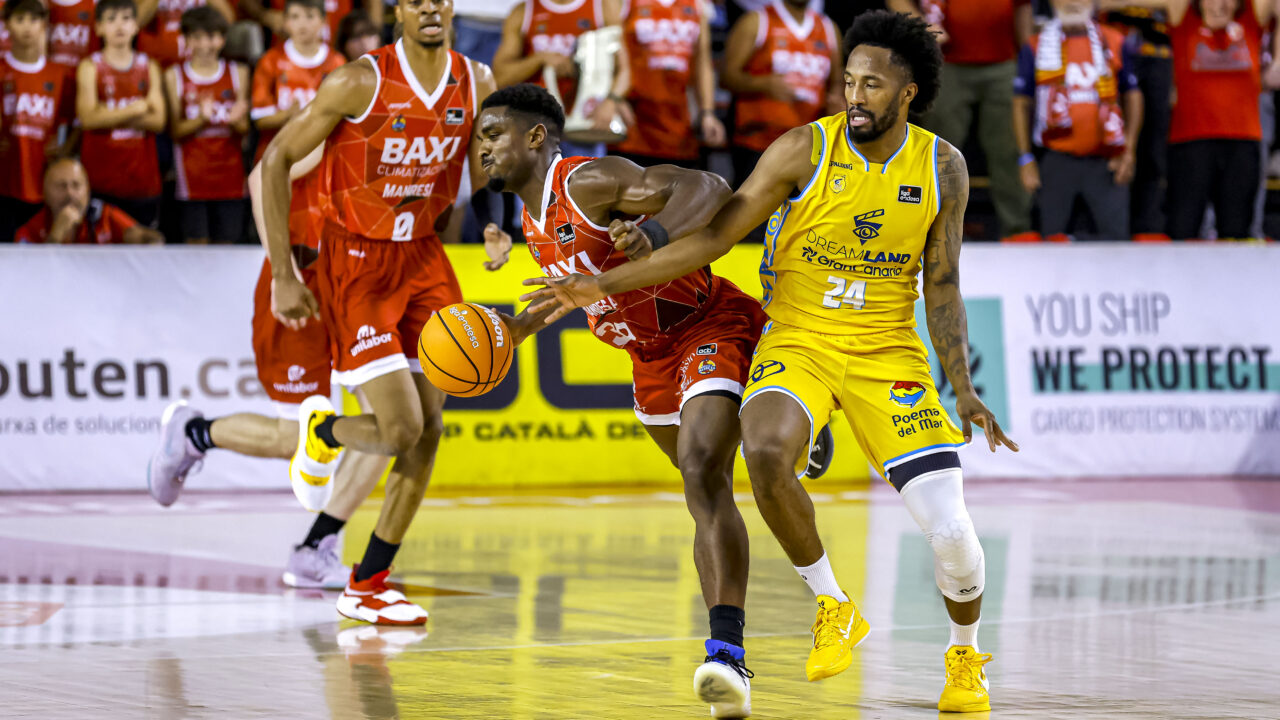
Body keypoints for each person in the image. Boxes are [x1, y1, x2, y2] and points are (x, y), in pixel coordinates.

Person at [524, 11, 1019, 712]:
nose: (855, 96)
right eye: (848, 81)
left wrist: (963, 390)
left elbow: (942, 285)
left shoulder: (942, 167)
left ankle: (965, 655)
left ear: (907, 93)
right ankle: (833, 605)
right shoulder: (802, 149)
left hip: (888, 350)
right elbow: (720, 233)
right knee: (761, 450)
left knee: (950, 531)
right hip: (800, 337)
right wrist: (601, 283)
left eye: (871, 85)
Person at [477, 82, 833, 720]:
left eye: (491, 135)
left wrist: (658, 231)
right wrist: (516, 330)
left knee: (701, 466)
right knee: (705, 494)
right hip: (649, 361)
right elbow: (574, 293)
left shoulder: (587, 181)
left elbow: (712, 189)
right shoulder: (530, 218)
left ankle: (725, 653)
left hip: (708, 324)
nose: (481, 150)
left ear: (535, 136)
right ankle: (793, 417)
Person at [262, 0, 512, 625]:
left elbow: (491, 166)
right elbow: (272, 163)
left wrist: (493, 225)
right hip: (357, 264)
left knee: (431, 428)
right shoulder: (357, 82)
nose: (430, 5)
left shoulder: (477, 80)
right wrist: (284, 277)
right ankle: (322, 433)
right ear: (396, 11)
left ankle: (369, 581)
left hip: (425, 258)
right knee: (400, 429)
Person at [890, 0, 1035, 239]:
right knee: (938, 151)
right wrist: (921, 24)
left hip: (1003, 62)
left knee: (1008, 149)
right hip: (947, 64)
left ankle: (1017, 229)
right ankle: (932, 228)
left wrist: (1028, 58)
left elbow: (1023, 8)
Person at [1013, 0, 1143, 239]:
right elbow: (1021, 103)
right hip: (1055, 160)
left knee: (1116, 245)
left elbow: (1132, 94)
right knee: (1051, 243)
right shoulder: (1035, 45)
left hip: (1107, 160)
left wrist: (1129, 149)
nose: (1072, 2)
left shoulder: (1115, 40)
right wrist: (1025, 158)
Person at [721, 0, 842, 240]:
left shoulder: (828, 28)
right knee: (747, 226)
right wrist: (763, 84)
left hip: (808, 148)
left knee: (797, 230)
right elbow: (726, 75)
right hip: (757, 144)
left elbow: (837, 81)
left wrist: (837, 100)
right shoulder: (757, 21)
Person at [1165, 0, 1274, 240]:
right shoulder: (1184, 19)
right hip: (1190, 139)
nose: (1220, 5)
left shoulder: (1250, 21)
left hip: (1243, 139)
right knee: (1184, 226)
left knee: (1236, 229)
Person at [491, 0, 630, 158]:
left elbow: (624, 68)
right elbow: (499, 77)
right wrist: (539, 59)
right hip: (537, 125)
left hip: (583, 127)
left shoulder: (602, 6)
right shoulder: (523, 12)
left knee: (584, 181)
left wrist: (612, 100)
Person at [164, 5, 250, 243]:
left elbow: (245, 130)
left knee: (227, 249)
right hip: (192, 180)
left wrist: (236, 122)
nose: (204, 45)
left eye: (211, 36)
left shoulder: (238, 72)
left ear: (222, 39)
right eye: (197, 37)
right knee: (196, 249)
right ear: (187, 40)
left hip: (231, 178)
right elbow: (175, 131)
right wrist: (200, 119)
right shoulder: (174, 75)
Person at [77, 0, 166, 229]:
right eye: (111, 19)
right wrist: (135, 108)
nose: (119, 25)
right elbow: (88, 119)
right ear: (98, 27)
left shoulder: (150, 67)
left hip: (143, 184)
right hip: (100, 182)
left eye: (126, 19)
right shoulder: (89, 67)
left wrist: (106, 112)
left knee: (144, 253)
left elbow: (158, 121)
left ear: (136, 26)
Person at [608, 0, 726, 169]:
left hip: (681, 125)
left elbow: (703, 61)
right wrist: (615, 98)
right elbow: (607, 51)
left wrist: (707, 112)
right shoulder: (622, 2)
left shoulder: (698, 4)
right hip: (633, 123)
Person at [0, 0, 77, 242]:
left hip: (44, 186)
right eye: (19, 19)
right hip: (4, 183)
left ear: (44, 24)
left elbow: (77, 121)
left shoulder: (61, 74)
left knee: (44, 262)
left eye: (33, 19)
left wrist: (66, 148)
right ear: (6, 25)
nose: (27, 27)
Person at [249, 0, 345, 161]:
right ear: (285, 22)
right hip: (277, 156)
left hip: (322, 158)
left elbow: (344, 117)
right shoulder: (270, 61)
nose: (302, 24)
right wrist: (287, 115)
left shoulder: (337, 62)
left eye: (309, 16)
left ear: (324, 20)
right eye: (295, 17)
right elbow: (260, 119)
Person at [15, 157, 165, 244]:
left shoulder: (104, 215)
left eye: (76, 185)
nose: (70, 193)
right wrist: (56, 236)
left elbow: (148, 237)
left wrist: (149, 245)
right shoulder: (30, 229)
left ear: (87, 190)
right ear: (45, 192)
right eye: (61, 186)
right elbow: (30, 278)